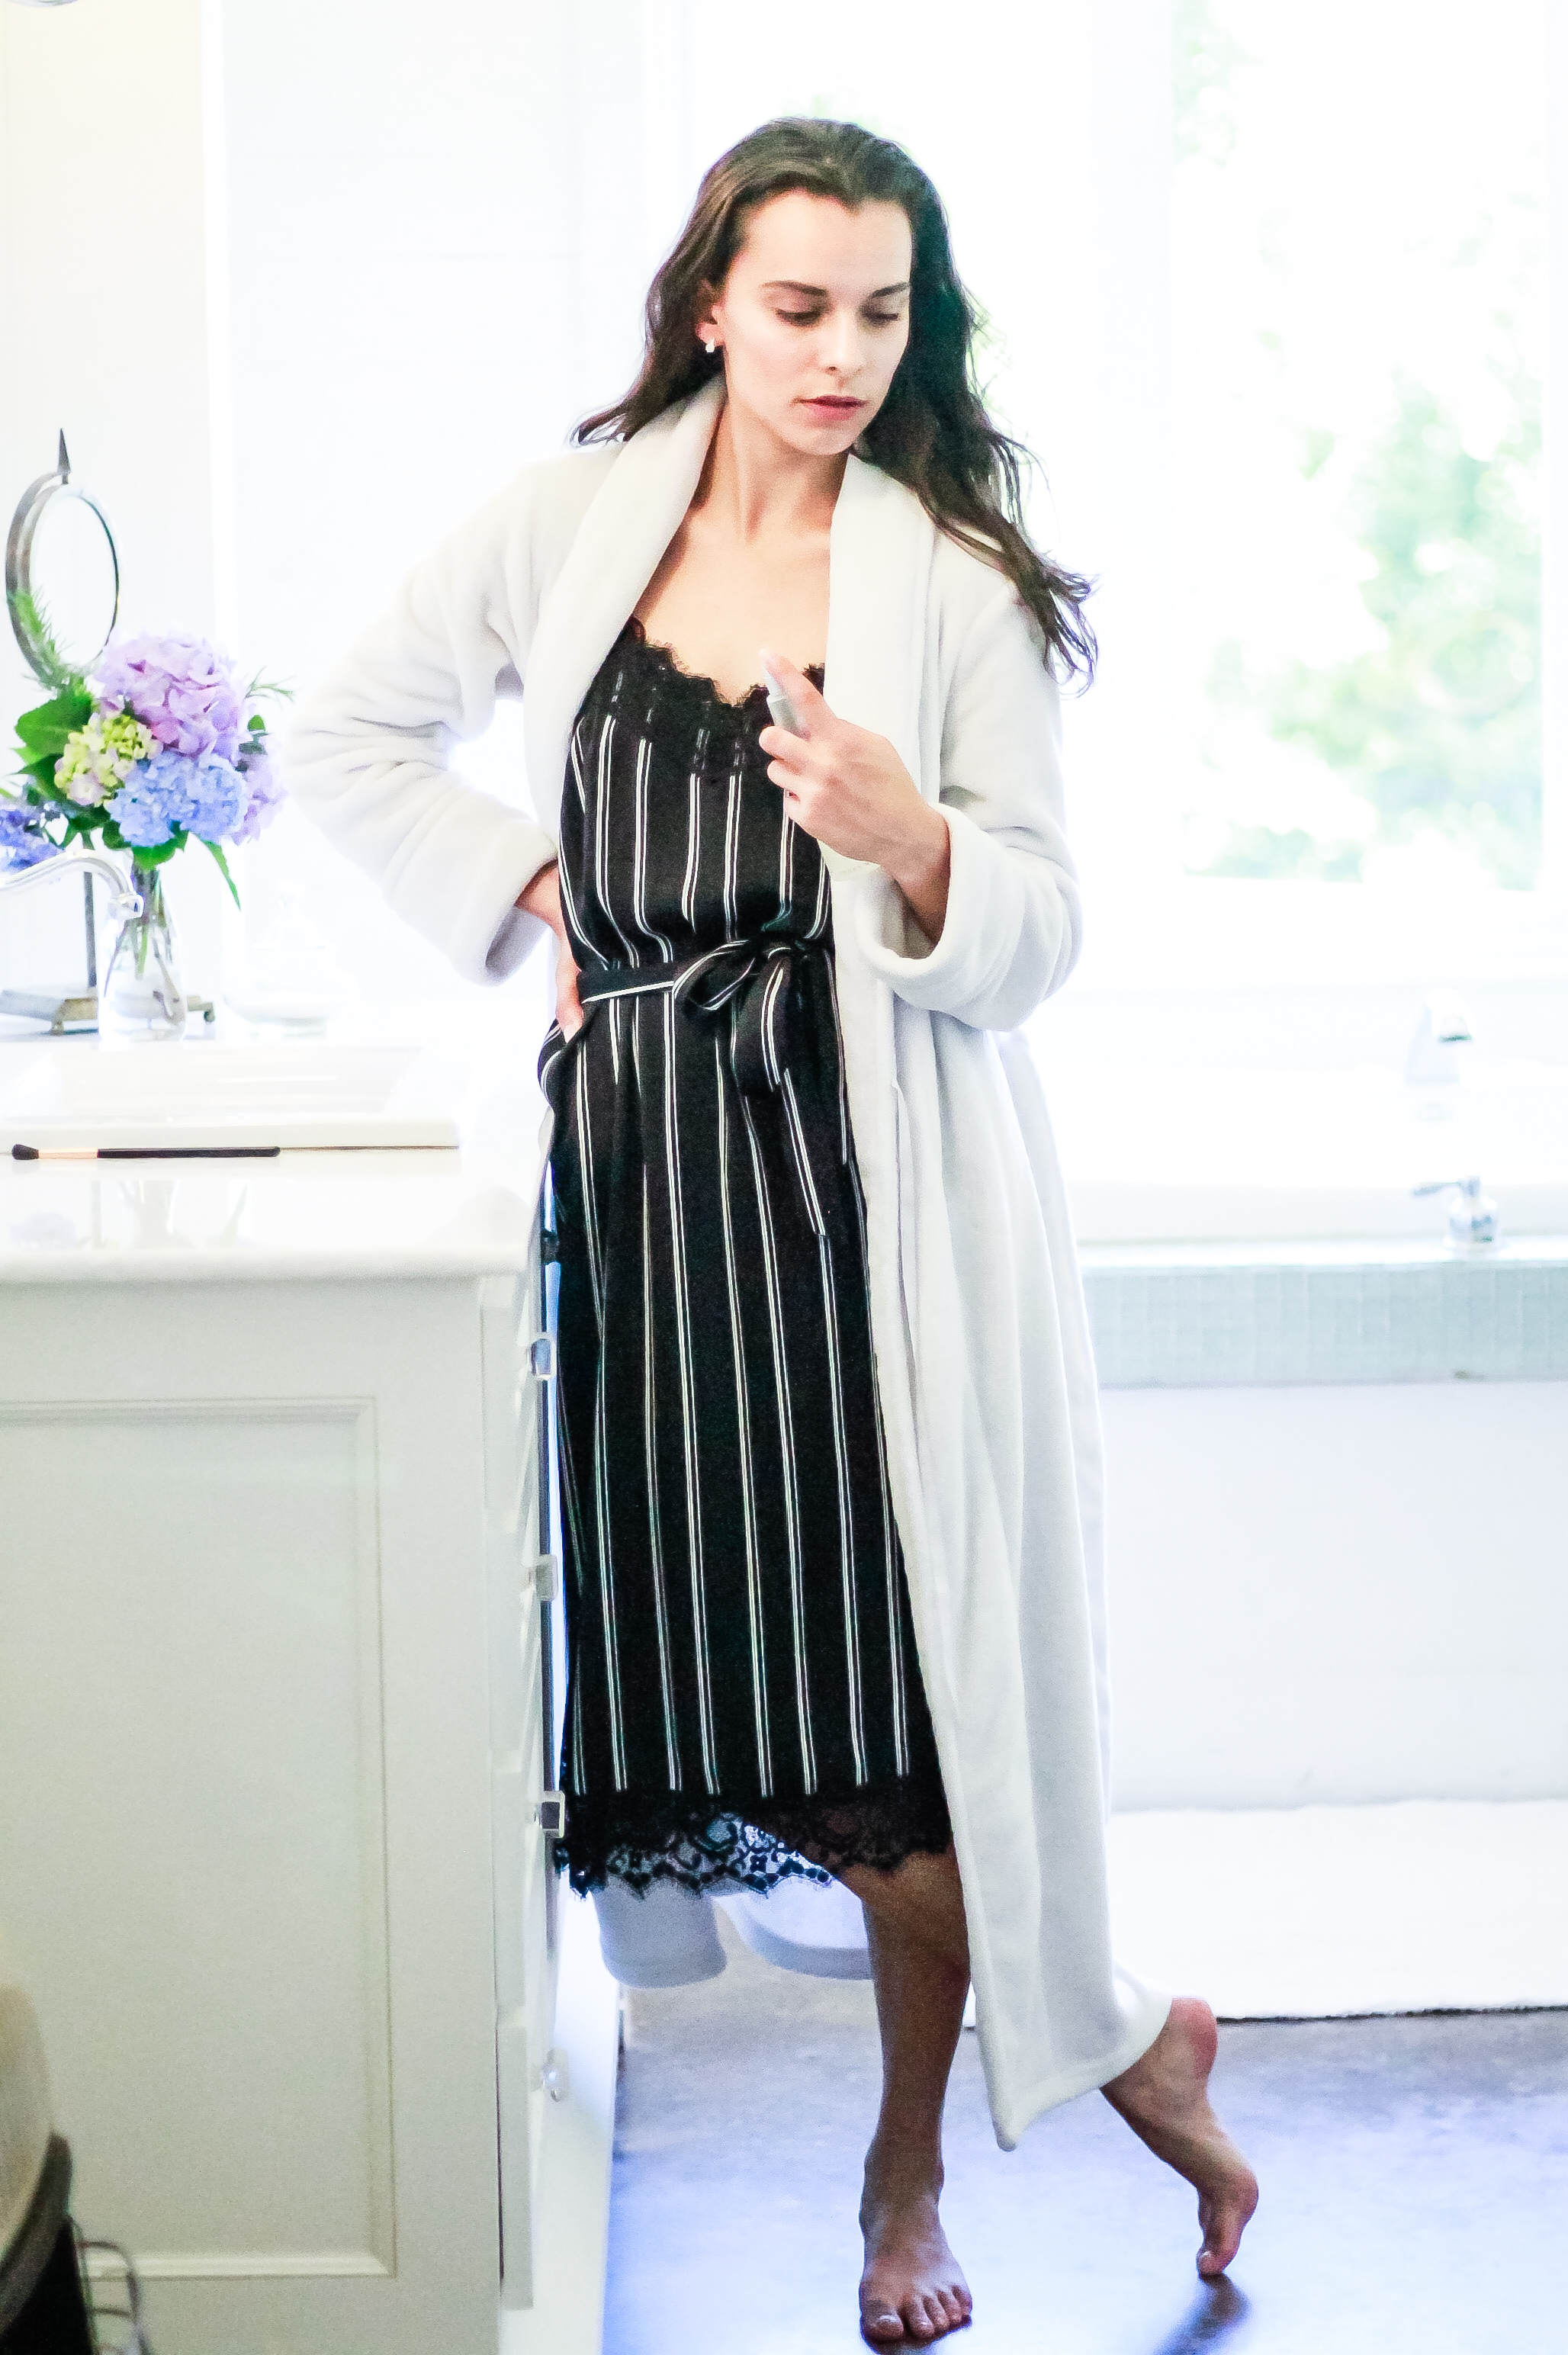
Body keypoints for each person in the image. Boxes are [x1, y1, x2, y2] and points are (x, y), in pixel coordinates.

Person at [287, 115, 1258, 2347]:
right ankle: (1142, 2046)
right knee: (711, 1695)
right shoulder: (567, 524)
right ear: (710, 301)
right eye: (800, 305)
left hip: (861, 1208)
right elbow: (349, 737)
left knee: (896, 1729)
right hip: (645, 1201)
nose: (842, 353)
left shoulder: (957, 587)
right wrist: (536, 887)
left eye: (884, 313)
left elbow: (1041, 939)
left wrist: (919, 840)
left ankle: (912, 2176)